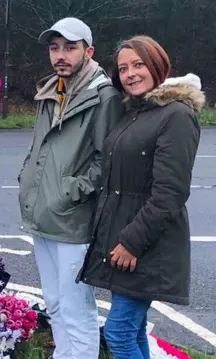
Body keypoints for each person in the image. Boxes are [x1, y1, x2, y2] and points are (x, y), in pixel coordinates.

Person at [78, 36, 203, 359]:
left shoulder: (175, 115)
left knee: (118, 333)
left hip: (146, 246)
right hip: (127, 243)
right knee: (131, 331)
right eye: (123, 68)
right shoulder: (136, 111)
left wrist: (132, 242)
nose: (130, 73)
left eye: (138, 65)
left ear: (158, 66)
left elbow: (170, 192)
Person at [17, 17, 123, 359]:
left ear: (88, 51)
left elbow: (107, 160)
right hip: (42, 214)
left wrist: (69, 191)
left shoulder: (103, 97)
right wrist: (27, 178)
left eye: (70, 47)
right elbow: (39, 149)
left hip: (73, 220)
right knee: (55, 303)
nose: (60, 55)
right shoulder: (52, 89)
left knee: (77, 309)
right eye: (54, 47)